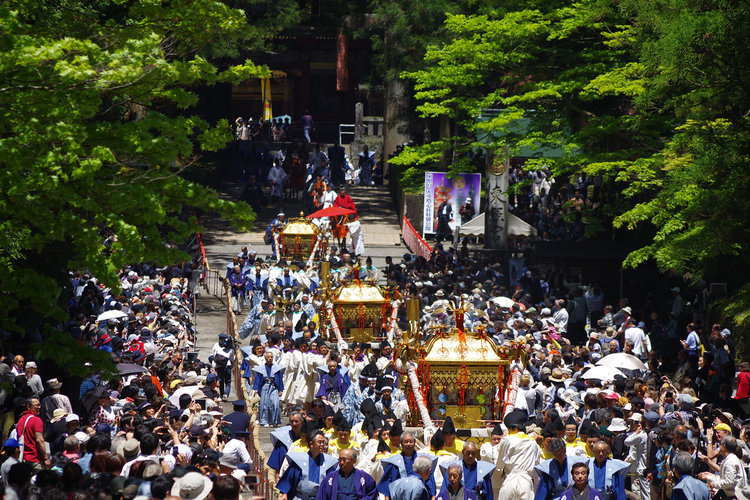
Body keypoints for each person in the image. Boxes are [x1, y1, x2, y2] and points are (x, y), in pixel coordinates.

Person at [277, 430, 337, 500]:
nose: (322, 445)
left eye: (323, 442)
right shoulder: (299, 460)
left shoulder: (328, 461)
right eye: (320, 442)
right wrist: (284, 494)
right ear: (311, 444)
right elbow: (289, 479)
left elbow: (332, 482)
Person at [379, 432, 436, 498]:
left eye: (411, 442)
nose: (408, 444)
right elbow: (387, 485)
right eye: (406, 442)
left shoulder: (423, 460)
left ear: (415, 443)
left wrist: (433, 497)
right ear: (401, 443)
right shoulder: (394, 462)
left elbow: (430, 482)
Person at [252, 351, 284, 427]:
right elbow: (258, 379)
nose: (270, 359)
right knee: (264, 404)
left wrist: (280, 389)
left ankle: (275, 421)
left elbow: (279, 379)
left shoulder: (276, 368)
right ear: (265, 358)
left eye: (271, 357)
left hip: (273, 386)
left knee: (275, 404)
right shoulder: (261, 368)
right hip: (264, 386)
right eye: (268, 357)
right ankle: (264, 421)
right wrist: (256, 389)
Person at [16, 398, 48, 472]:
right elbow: (39, 440)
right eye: (36, 405)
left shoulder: (21, 420)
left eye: (39, 405)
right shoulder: (36, 420)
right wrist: (46, 458)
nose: (39, 407)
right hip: (35, 459)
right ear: (28, 407)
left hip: (23, 458)